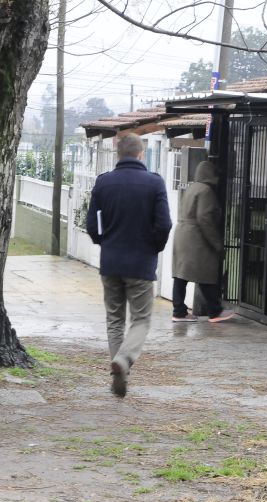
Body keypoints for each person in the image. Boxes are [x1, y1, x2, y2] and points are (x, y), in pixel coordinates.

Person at [85, 133, 171, 398]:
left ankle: (117, 373)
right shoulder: (154, 183)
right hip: (141, 263)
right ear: (141, 154)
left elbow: (91, 224)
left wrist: (103, 241)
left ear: (117, 153)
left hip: (110, 262)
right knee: (141, 318)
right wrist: (153, 247)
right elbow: (164, 224)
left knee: (114, 319)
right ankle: (123, 361)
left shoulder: (104, 183)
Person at [171, 161, 235, 323]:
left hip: (182, 234)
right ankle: (214, 311)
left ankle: (179, 311)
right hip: (196, 238)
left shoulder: (191, 188)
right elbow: (205, 218)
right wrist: (217, 244)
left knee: (180, 275)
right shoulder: (206, 191)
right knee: (205, 273)